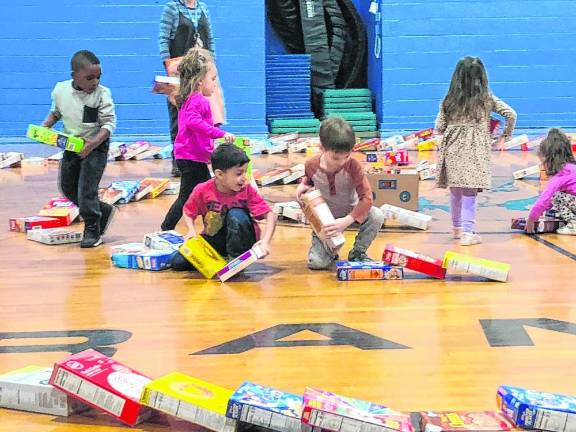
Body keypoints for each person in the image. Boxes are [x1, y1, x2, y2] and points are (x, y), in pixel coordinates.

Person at [435, 56, 517, 246]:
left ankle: (457, 229)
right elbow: (511, 114)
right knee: (470, 192)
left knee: (455, 190)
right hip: (475, 151)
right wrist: (505, 136)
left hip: (453, 148)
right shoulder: (486, 99)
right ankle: (468, 232)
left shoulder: (448, 99)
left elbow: (439, 126)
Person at [41, 50, 116, 248]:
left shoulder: (102, 94)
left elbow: (108, 125)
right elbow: (56, 112)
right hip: (71, 145)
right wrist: (45, 127)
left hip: (96, 146)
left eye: (98, 77)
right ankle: (103, 210)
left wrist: (92, 145)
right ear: (74, 75)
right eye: (89, 77)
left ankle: (92, 228)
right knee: (67, 187)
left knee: (86, 191)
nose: (95, 82)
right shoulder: (60, 90)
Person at [161, 48, 234, 231]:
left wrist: (209, 152)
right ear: (200, 81)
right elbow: (193, 123)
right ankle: (171, 227)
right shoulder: (197, 100)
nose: (215, 84)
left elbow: (197, 132)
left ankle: (210, 228)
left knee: (199, 193)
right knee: (195, 195)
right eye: (213, 79)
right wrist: (220, 134)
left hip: (193, 157)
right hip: (190, 158)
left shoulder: (193, 99)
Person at [296, 117, 384, 270]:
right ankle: (330, 251)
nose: (342, 162)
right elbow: (310, 181)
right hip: (326, 218)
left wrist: (347, 220)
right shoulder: (311, 165)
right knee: (316, 264)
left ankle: (358, 252)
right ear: (322, 148)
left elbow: (367, 199)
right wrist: (303, 185)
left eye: (347, 156)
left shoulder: (353, 166)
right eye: (336, 157)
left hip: (352, 212)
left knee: (376, 216)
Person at [171, 144, 277, 271]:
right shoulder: (202, 190)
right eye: (239, 173)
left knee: (236, 215)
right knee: (178, 262)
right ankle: (221, 259)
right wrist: (191, 230)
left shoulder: (247, 190)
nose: (244, 178)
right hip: (215, 239)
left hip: (243, 239)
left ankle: (236, 261)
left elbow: (270, 214)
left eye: (245, 172)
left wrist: (265, 241)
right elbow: (188, 211)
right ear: (220, 174)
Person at [159, 0, 225, 177]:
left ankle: (202, 156)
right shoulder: (171, 8)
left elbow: (210, 39)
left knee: (206, 113)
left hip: (201, 71)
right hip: (180, 70)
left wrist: (211, 66)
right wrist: (169, 67)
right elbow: (163, 40)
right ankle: (178, 160)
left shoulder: (203, 8)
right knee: (178, 116)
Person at [526, 128, 576, 235]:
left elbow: (544, 199)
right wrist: (542, 213)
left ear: (550, 159)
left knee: (556, 196)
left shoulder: (560, 175)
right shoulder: (571, 168)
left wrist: (531, 219)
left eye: (543, 162)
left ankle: (574, 224)